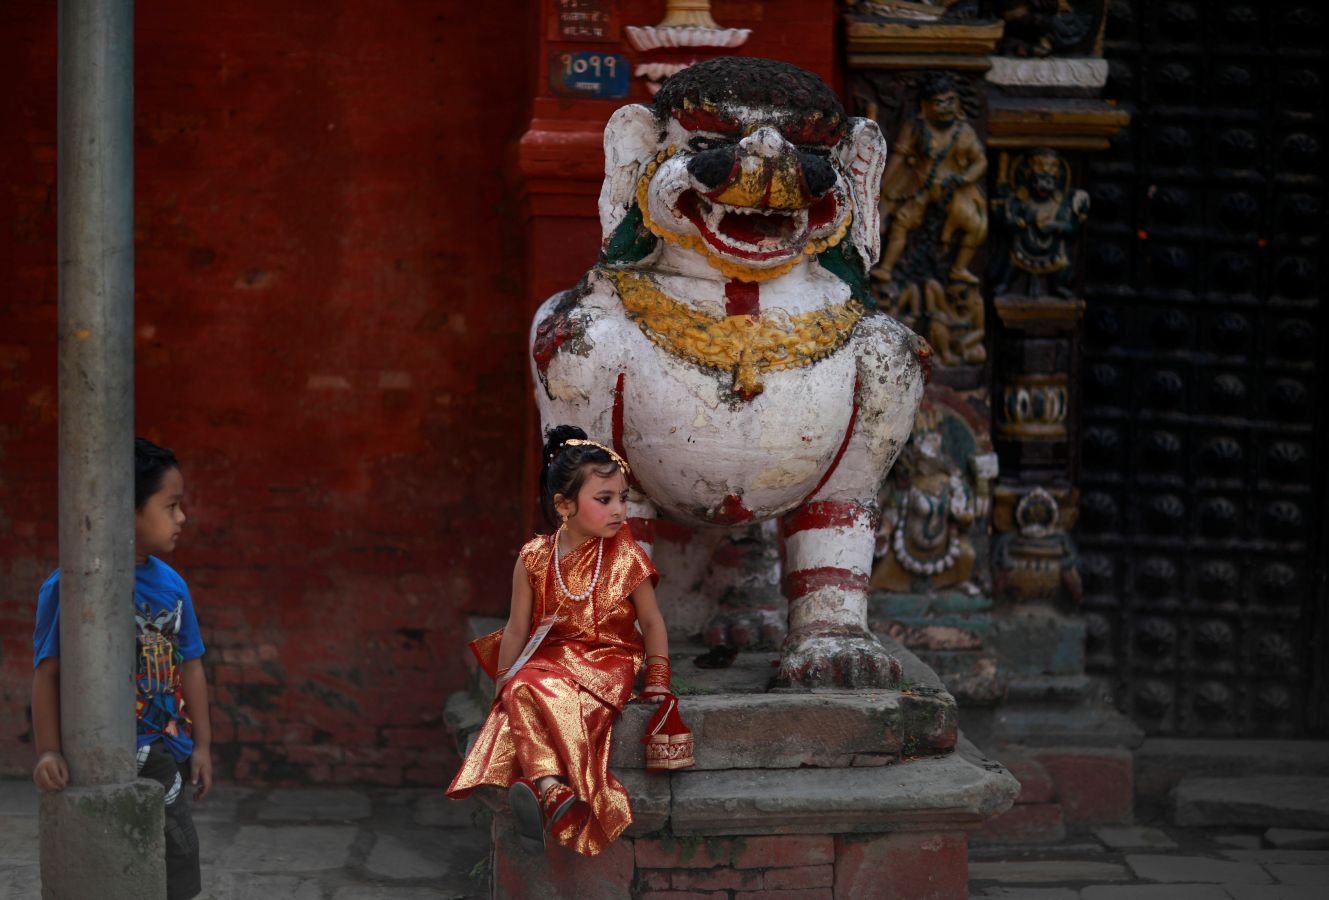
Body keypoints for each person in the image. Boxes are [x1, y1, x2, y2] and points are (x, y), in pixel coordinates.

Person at [447, 425, 677, 856]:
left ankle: (540, 785)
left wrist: (658, 676)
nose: (619, 511)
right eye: (604, 499)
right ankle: (552, 788)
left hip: (610, 660)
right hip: (553, 658)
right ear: (564, 505)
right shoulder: (534, 557)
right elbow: (517, 629)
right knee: (520, 687)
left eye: (623, 499)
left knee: (531, 691)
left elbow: (653, 622)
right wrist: (502, 683)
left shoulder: (626, 555)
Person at [32, 437, 211, 900]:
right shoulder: (71, 586)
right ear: (125, 511)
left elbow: (191, 665)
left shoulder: (173, 588)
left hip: (165, 747)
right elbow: (47, 671)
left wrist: (204, 746)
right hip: (97, 752)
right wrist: (48, 751)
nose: (181, 518)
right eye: (170, 505)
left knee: (179, 849)